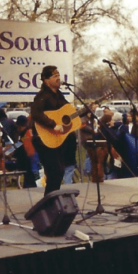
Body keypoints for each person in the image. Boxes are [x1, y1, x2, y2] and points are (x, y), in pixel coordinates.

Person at [30, 66, 92, 195]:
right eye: (54, 75)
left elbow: (69, 116)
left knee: (58, 172)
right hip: (44, 139)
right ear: (46, 80)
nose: (58, 77)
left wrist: (87, 109)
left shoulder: (59, 96)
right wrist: (53, 125)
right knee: (54, 172)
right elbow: (36, 113)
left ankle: (53, 201)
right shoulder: (42, 96)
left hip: (57, 140)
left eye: (59, 74)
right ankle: (49, 203)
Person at [12, 115, 38, 188]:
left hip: (30, 158)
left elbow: (19, 146)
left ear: (20, 126)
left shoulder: (25, 134)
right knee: (35, 177)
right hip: (34, 157)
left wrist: (9, 153)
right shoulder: (30, 132)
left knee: (31, 179)